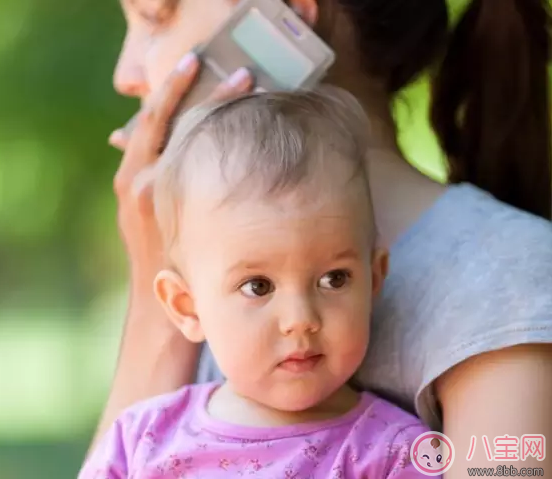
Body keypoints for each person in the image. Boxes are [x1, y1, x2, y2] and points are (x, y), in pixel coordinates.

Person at [98, 0, 552, 476]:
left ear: (287, 12)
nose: (125, 74)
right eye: (258, 286)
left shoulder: (506, 277)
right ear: (185, 303)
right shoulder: (213, 280)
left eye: (154, 17)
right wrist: (158, 312)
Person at [81, 88, 433, 478]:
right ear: (186, 306)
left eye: (334, 279)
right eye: (258, 287)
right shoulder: (142, 439)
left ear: (374, 278)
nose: (300, 319)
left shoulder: (395, 453)